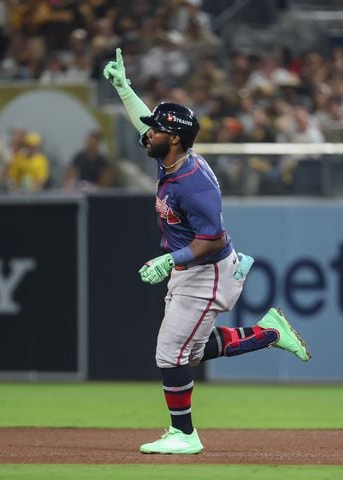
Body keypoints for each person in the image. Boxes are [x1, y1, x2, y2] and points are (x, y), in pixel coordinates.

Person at [103, 48, 311, 455]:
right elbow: (145, 120)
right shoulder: (172, 158)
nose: (147, 134)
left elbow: (212, 238)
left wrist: (169, 260)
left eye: (156, 130)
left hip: (206, 268)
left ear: (174, 138)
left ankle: (184, 434)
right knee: (192, 351)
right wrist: (125, 90)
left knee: (169, 351)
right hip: (199, 268)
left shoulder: (193, 182)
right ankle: (270, 332)